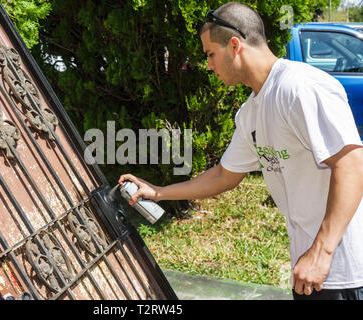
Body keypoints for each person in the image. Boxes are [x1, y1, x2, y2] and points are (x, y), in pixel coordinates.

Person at [119, 2, 363, 300]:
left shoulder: (299, 87)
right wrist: (158, 192)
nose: (208, 65)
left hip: (347, 270)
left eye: (210, 54)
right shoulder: (252, 111)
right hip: (309, 270)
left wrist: (322, 252)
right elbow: (224, 175)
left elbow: (352, 163)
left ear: (235, 45)